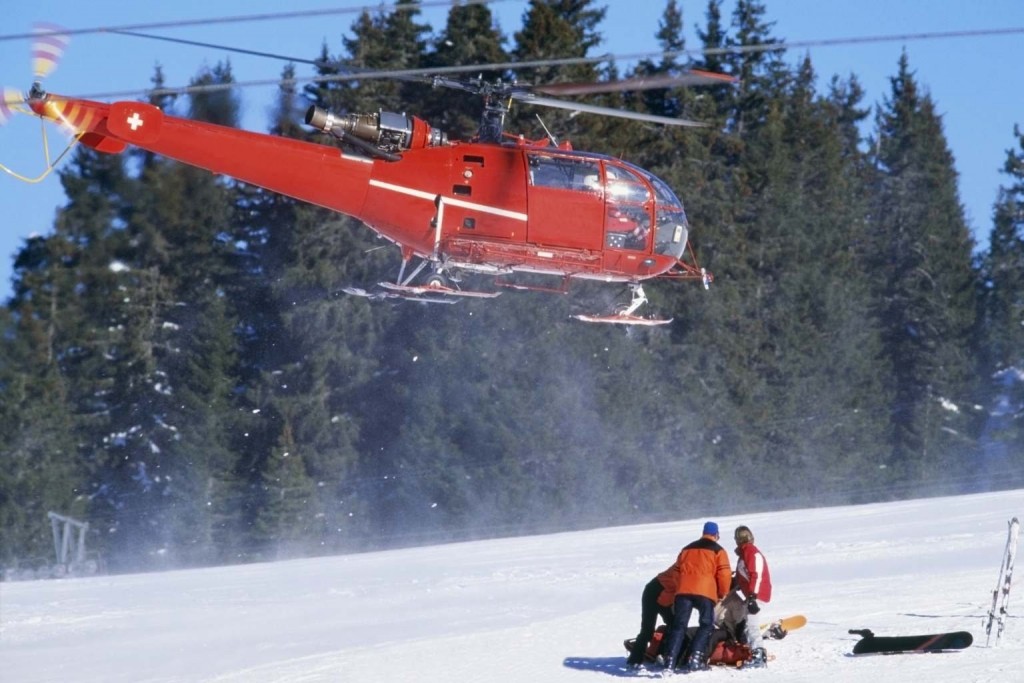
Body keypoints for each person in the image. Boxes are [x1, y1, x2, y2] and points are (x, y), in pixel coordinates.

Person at [661, 521, 732, 672]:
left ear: (703, 532)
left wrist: (679, 587)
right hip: (705, 591)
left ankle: (669, 661)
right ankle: (695, 658)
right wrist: (722, 593)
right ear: (716, 535)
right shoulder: (718, 550)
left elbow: (675, 572)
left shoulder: (686, 549)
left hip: (683, 591)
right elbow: (724, 574)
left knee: (679, 626)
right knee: (706, 625)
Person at [716, 525, 773, 668]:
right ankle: (751, 650)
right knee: (746, 624)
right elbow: (744, 577)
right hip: (751, 596)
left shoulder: (752, 553)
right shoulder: (743, 554)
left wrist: (753, 597)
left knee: (751, 625)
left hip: (757, 595)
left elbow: (757, 575)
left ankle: (759, 657)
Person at [626, 563, 678, 667]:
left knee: (675, 626)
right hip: (653, 592)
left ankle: (661, 652)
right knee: (647, 629)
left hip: (665, 597)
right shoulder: (685, 565)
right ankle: (634, 660)